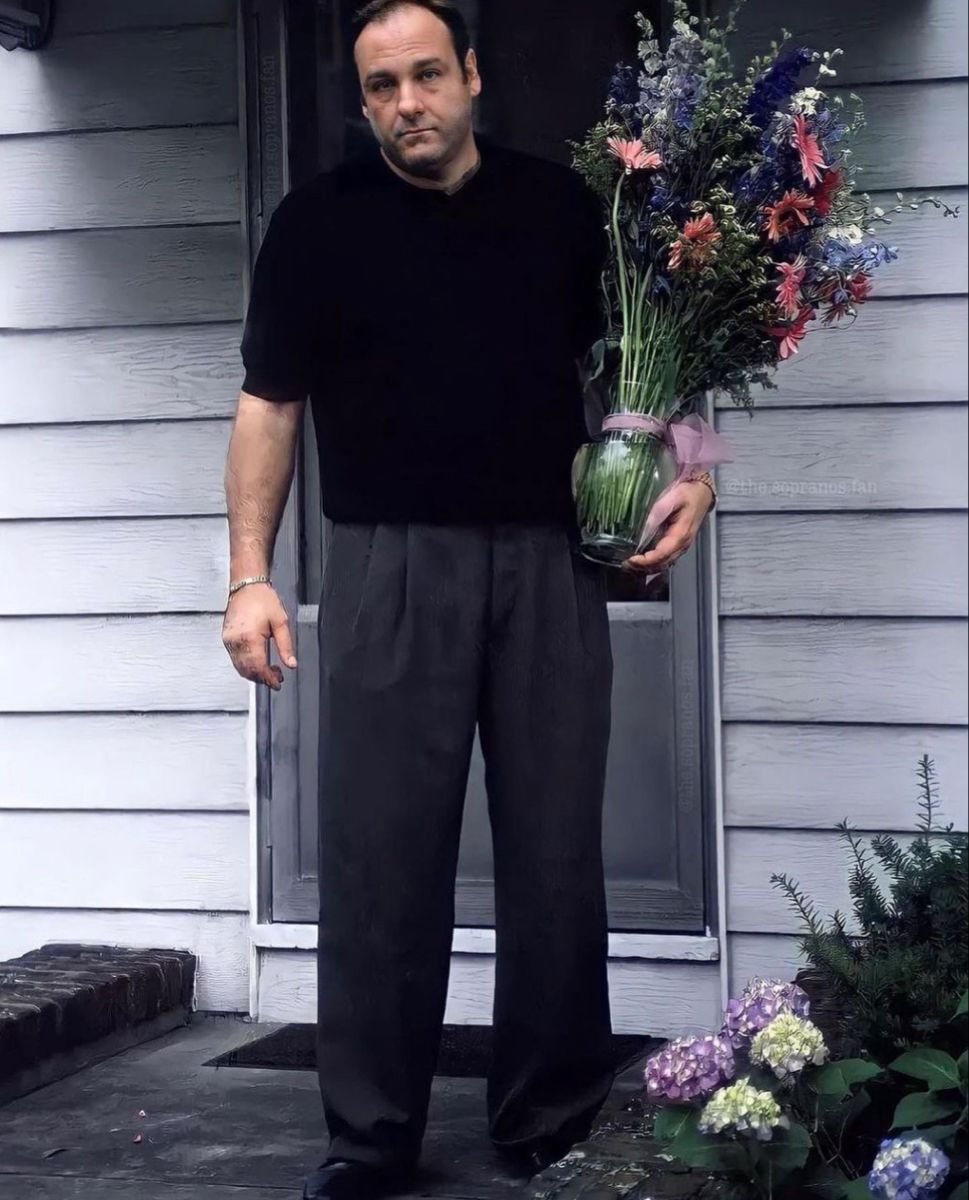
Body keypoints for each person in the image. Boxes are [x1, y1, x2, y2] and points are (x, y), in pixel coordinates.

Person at [222, 2, 717, 1196]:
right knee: (379, 859)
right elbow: (269, 405)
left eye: (428, 74)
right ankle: (371, 1136)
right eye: (382, 85)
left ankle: (548, 1113)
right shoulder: (315, 225)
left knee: (556, 849)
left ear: (473, 75)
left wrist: (696, 475)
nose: (409, 103)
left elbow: (649, 365)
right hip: (386, 568)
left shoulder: (559, 210)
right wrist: (249, 574)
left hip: (550, 563)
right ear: (363, 101)